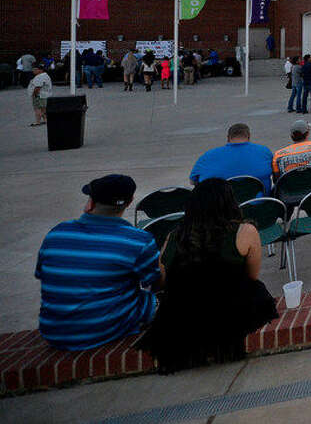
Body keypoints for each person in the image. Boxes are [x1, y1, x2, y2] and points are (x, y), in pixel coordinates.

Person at [136, 179, 278, 372]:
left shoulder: (174, 236)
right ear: (230, 202)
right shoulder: (244, 231)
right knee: (255, 289)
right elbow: (252, 276)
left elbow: (163, 281)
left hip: (182, 316)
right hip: (229, 311)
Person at [35, 174, 160, 350]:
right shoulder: (138, 240)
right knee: (160, 300)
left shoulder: (57, 233)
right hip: (102, 331)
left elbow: (42, 274)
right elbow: (154, 280)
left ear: (91, 201)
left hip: (53, 331)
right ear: (129, 201)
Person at [190, 123, 274, 195]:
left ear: (228, 138)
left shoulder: (207, 156)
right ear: (248, 136)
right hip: (258, 207)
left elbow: (193, 181)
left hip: (222, 209)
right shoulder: (263, 151)